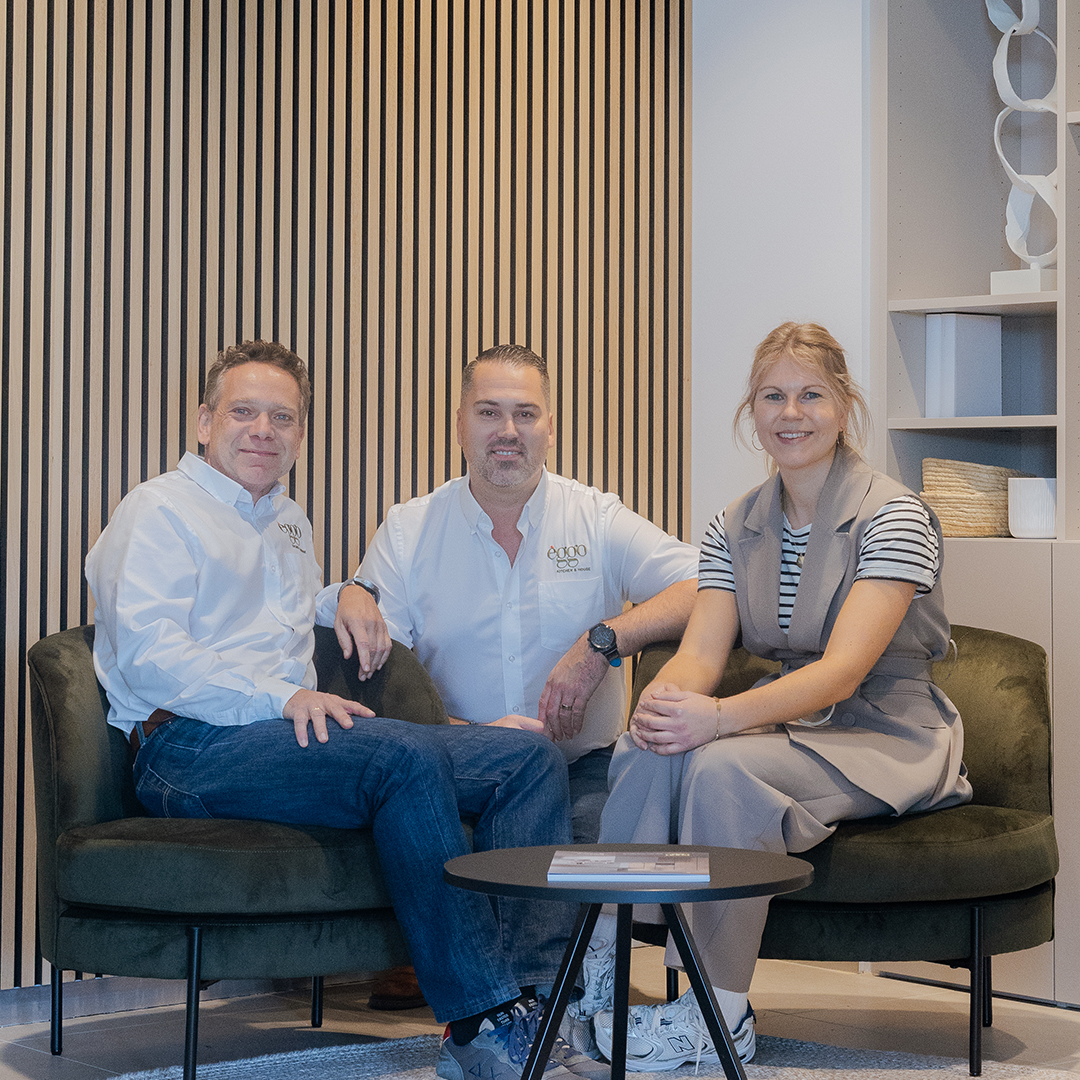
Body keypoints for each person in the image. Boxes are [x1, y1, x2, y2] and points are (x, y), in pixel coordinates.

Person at [85, 340, 605, 1080]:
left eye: (283, 418)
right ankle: (477, 1022)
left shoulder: (285, 520)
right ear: (204, 422)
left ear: (299, 434)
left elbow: (292, 613)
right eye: (244, 412)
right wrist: (283, 695)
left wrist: (350, 594)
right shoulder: (158, 512)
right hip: (188, 749)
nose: (264, 430)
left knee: (524, 759)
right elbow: (149, 656)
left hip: (283, 741)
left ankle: (538, 1003)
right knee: (401, 754)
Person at [572, 322, 972, 1071]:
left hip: (885, 730)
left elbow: (842, 673)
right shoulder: (732, 525)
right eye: (773, 396)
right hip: (784, 723)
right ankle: (600, 976)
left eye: (812, 395)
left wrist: (718, 718)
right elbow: (699, 652)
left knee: (722, 769)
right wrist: (663, 711)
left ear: (845, 406)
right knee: (646, 748)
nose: (792, 413)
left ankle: (720, 1018)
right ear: (751, 412)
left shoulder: (895, 515)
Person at [323, 344, 699, 847]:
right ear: (460, 424)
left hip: (585, 771)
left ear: (550, 427)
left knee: (592, 905)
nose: (507, 431)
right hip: (458, 764)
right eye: (488, 413)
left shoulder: (596, 518)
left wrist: (601, 642)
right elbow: (379, 681)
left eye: (525, 414)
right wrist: (477, 736)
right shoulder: (406, 533)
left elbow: (711, 583)